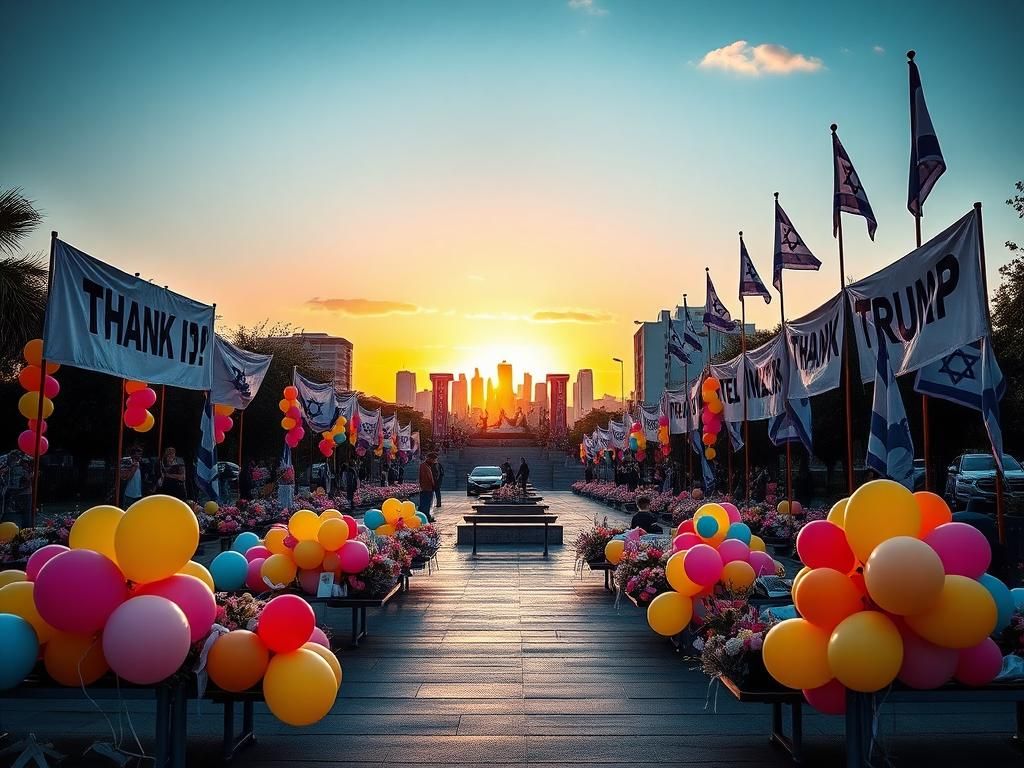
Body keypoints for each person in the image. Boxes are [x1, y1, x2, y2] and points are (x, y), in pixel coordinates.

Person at [418, 452, 437, 522]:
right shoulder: (423, 466)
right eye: (434, 460)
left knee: (428, 504)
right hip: (425, 488)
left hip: (429, 488)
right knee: (425, 504)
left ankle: (427, 516)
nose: (434, 462)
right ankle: (425, 517)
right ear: (429, 459)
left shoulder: (428, 466)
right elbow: (425, 478)